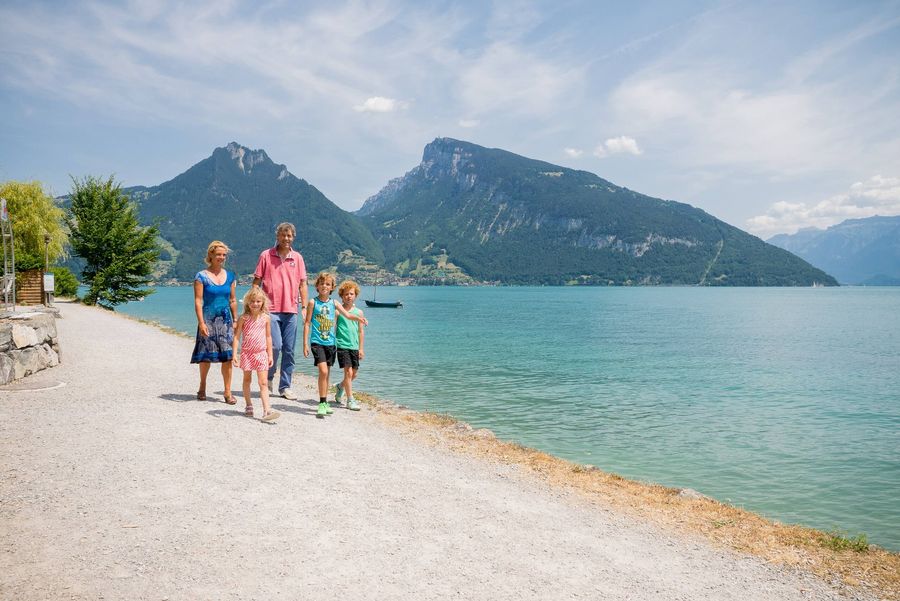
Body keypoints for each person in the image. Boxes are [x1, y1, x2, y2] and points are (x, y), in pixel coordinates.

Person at [253, 222, 308, 401]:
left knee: (289, 350)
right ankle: (268, 377)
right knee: (275, 346)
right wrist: (253, 306)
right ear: (277, 236)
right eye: (283, 235)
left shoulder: (297, 258)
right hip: (270, 310)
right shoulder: (266, 255)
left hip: (291, 310)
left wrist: (305, 307)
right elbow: (257, 282)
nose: (286, 238)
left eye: (289, 236)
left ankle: (285, 386)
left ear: (293, 237)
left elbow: (303, 284)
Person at [303, 272, 368, 418]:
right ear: (317, 286)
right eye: (322, 283)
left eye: (328, 284)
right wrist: (305, 344)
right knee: (323, 372)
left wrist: (361, 319)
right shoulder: (313, 302)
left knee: (328, 374)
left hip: (330, 344)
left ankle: (326, 401)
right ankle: (322, 402)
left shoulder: (334, 303)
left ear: (332, 287)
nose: (324, 286)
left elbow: (348, 315)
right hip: (317, 342)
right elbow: (307, 323)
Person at [190, 241, 237, 404]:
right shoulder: (201, 276)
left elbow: (232, 300)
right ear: (210, 255)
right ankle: (202, 386)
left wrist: (236, 319)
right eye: (218, 254)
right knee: (205, 357)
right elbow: (198, 301)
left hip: (226, 321)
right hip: (208, 320)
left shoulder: (230, 276)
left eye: (224, 255)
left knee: (228, 357)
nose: (221, 257)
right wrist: (201, 322)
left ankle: (227, 392)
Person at [232, 286, 280, 422]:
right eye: (252, 301)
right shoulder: (244, 318)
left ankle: (267, 410)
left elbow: (268, 337)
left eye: (258, 301)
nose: (255, 304)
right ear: (248, 302)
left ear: (263, 303)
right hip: (247, 354)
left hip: (261, 354)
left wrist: (270, 355)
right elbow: (237, 337)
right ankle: (248, 405)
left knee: (263, 383)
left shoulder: (266, 318)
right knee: (247, 380)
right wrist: (235, 354)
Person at [333, 280, 365, 411]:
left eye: (351, 294)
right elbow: (332, 326)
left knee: (354, 374)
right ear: (341, 295)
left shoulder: (359, 312)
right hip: (342, 345)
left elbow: (360, 331)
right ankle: (350, 400)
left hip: (354, 346)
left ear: (355, 295)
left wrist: (361, 348)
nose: (349, 296)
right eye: (346, 294)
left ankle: (340, 386)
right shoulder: (338, 311)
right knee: (348, 371)